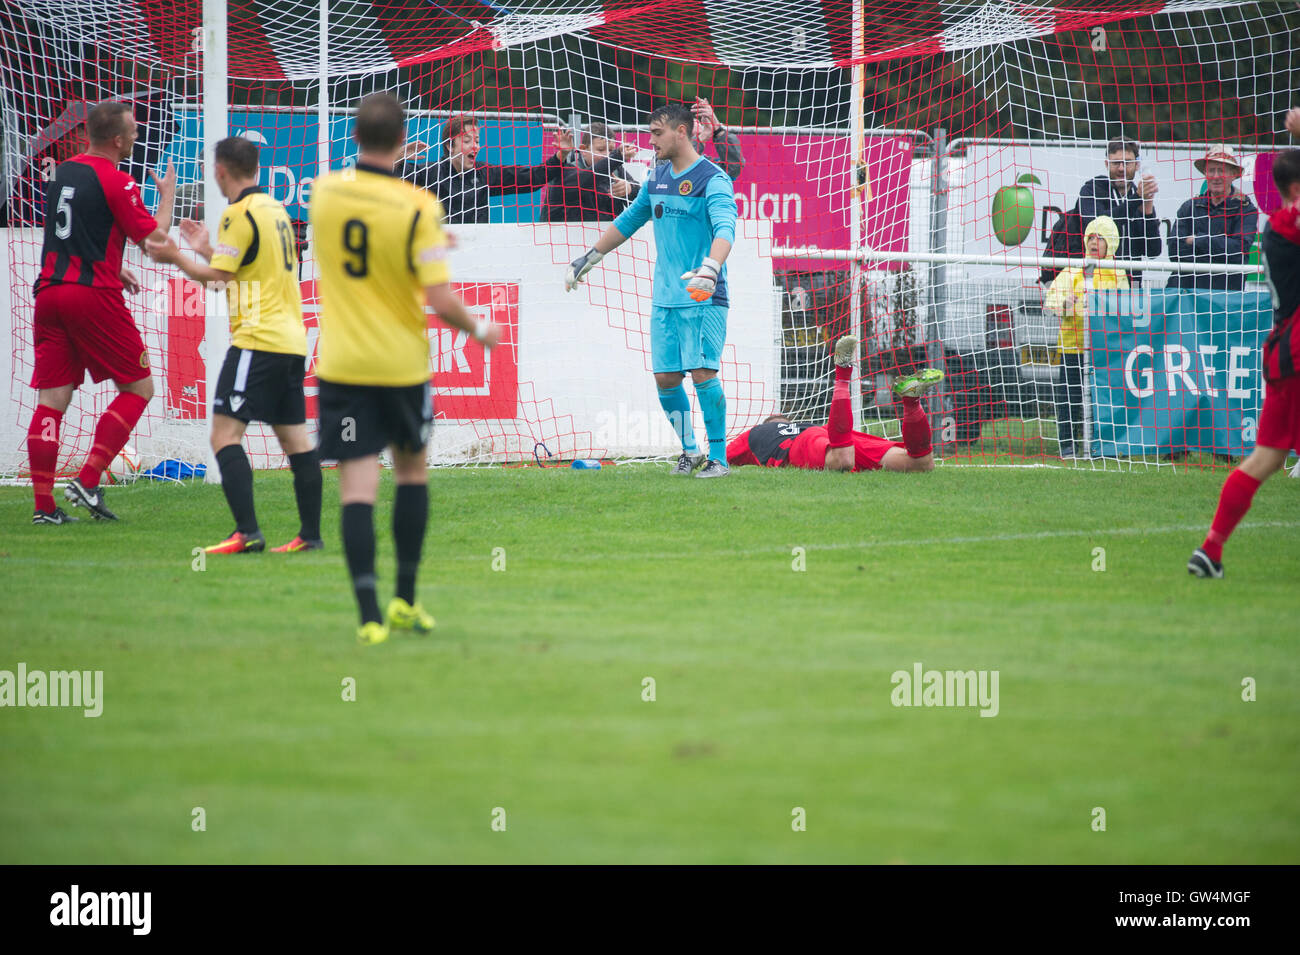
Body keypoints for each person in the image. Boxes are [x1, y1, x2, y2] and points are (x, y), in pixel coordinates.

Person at [310, 93, 501, 645]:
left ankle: (368, 615)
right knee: (412, 474)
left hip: (342, 365)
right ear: (402, 142)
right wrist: (482, 331)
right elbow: (439, 300)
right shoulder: (418, 208)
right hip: (399, 366)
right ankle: (406, 600)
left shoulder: (324, 194)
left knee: (356, 490)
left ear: (353, 139)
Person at [145, 136, 322, 555]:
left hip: (257, 340)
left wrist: (178, 259)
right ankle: (310, 536)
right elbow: (247, 269)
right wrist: (206, 249)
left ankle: (247, 532)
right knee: (296, 442)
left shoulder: (238, 213)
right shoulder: (275, 209)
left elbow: (220, 279)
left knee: (224, 435)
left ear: (221, 171)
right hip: (291, 341)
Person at [564, 102, 737, 478]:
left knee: (703, 372)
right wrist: (590, 257)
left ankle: (719, 458)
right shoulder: (657, 178)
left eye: (657, 133)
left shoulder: (713, 178)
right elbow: (629, 220)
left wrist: (711, 267)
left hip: (703, 295)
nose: (650, 140)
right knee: (666, 378)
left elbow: (726, 229)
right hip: (665, 299)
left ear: (681, 132)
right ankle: (690, 452)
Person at [26, 99, 175, 525]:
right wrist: (166, 198)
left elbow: (74, 235)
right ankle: (88, 479)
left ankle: (44, 508)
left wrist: (113, 264)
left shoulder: (65, 173)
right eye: (132, 132)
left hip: (50, 293)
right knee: (139, 389)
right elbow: (156, 242)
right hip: (92, 297)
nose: (136, 137)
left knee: (52, 399)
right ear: (117, 139)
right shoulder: (119, 181)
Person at [1188, 149, 1300, 577]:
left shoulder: (1274, 226)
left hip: (1283, 355)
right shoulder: (1287, 224)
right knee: (1264, 457)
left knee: (1265, 458)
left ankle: (1209, 550)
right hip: (1296, 355)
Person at [727, 336, 942, 472]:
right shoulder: (797, 427)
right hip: (836, 435)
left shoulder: (756, 433)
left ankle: (843, 373)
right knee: (921, 463)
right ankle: (911, 402)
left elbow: (721, 457)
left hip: (812, 442)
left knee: (843, 459)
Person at [1043, 216, 1129, 459]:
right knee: (1069, 399)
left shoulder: (1117, 273)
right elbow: (1052, 301)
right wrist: (1065, 303)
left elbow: (1125, 309)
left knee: (1104, 399)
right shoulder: (1072, 270)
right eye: (1091, 237)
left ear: (1111, 243)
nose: (1094, 242)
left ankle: (1104, 446)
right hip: (1073, 347)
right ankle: (1068, 445)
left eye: (1100, 238)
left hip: (1105, 351)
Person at [397, 113, 572, 224]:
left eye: (478, 141)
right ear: (450, 146)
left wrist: (561, 157)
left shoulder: (485, 173)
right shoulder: (430, 173)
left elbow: (531, 178)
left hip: (477, 252)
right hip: (441, 253)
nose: (475, 147)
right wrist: (398, 155)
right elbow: (383, 176)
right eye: (467, 141)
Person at [616, 98, 746, 206]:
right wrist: (700, 139)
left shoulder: (707, 165)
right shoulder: (660, 161)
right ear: (681, 132)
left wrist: (717, 128)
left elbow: (734, 167)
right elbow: (675, 166)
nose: (651, 141)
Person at [1166, 145, 1259, 292]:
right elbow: (1174, 251)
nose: (1216, 176)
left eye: (1221, 170)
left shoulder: (1246, 209)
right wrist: (1219, 249)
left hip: (1225, 296)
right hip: (1184, 294)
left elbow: (1238, 251)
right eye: (1211, 170)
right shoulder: (1189, 206)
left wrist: (1198, 240)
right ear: (1205, 173)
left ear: (1234, 174)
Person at [1074, 138, 1161, 285]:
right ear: (1107, 164)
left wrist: (1148, 209)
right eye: (1116, 163)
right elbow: (1097, 225)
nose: (1121, 168)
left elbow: (1153, 251)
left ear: (1137, 164)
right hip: (1095, 280)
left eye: (1127, 162)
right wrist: (1137, 199)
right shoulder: (1092, 189)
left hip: (1131, 284)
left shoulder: (1138, 194)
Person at [542, 122, 635, 222]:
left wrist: (629, 189)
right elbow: (588, 178)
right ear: (583, 150)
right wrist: (616, 157)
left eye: (611, 150)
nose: (607, 155)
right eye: (601, 149)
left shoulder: (616, 171)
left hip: (609, 234)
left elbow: (642, 199)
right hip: (567, 234)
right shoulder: (566, 171)